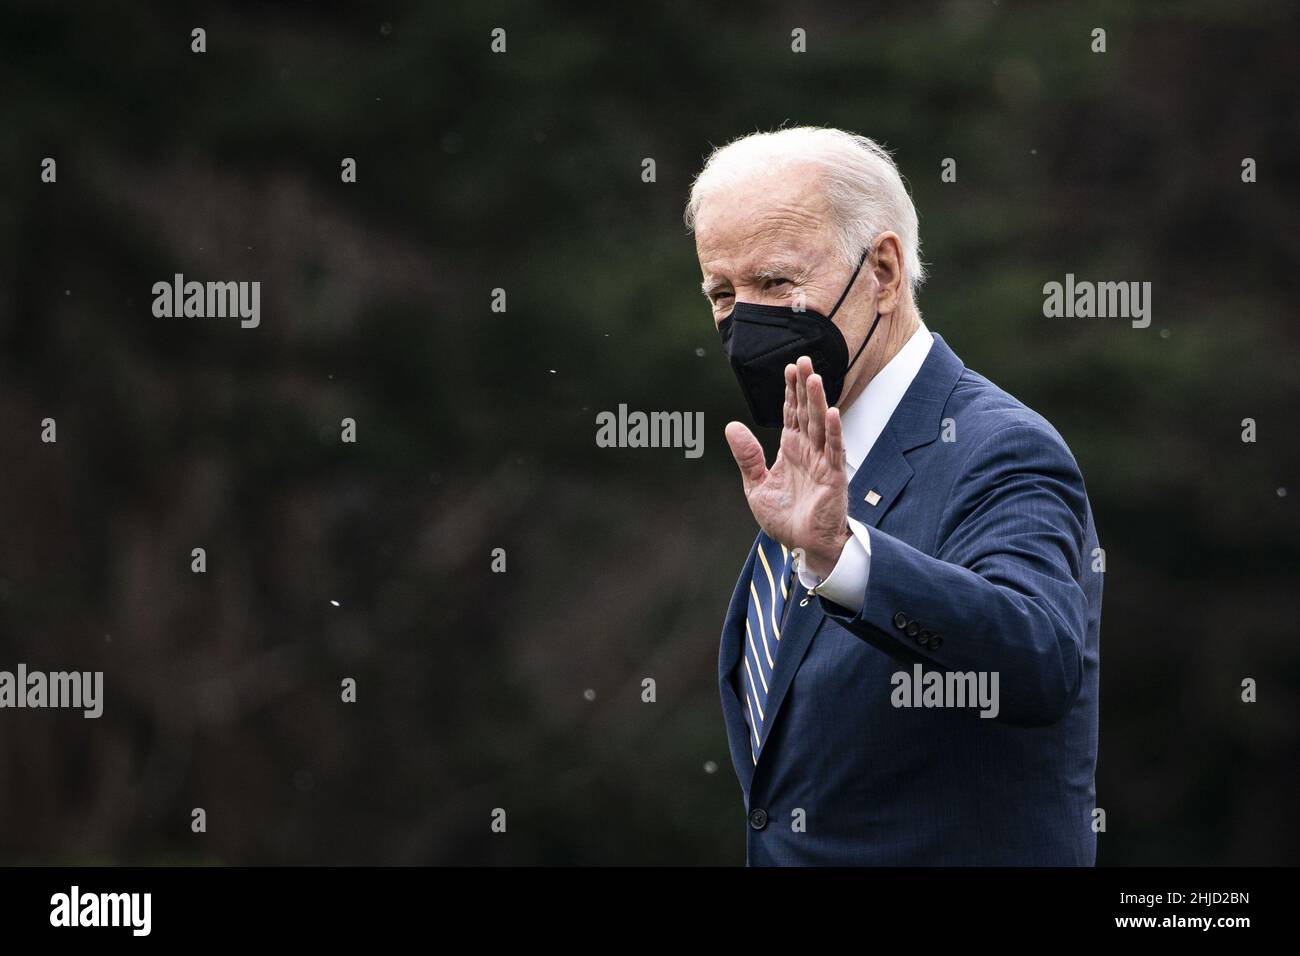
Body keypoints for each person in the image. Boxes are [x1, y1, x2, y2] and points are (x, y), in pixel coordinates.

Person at [685, 127, 1102, 865]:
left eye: (776, 283)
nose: (746, 319)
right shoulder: (806, 471)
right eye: (723, 292)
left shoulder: (998, 446)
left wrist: (844, 556)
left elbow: (1038, 660)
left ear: (882, 270)